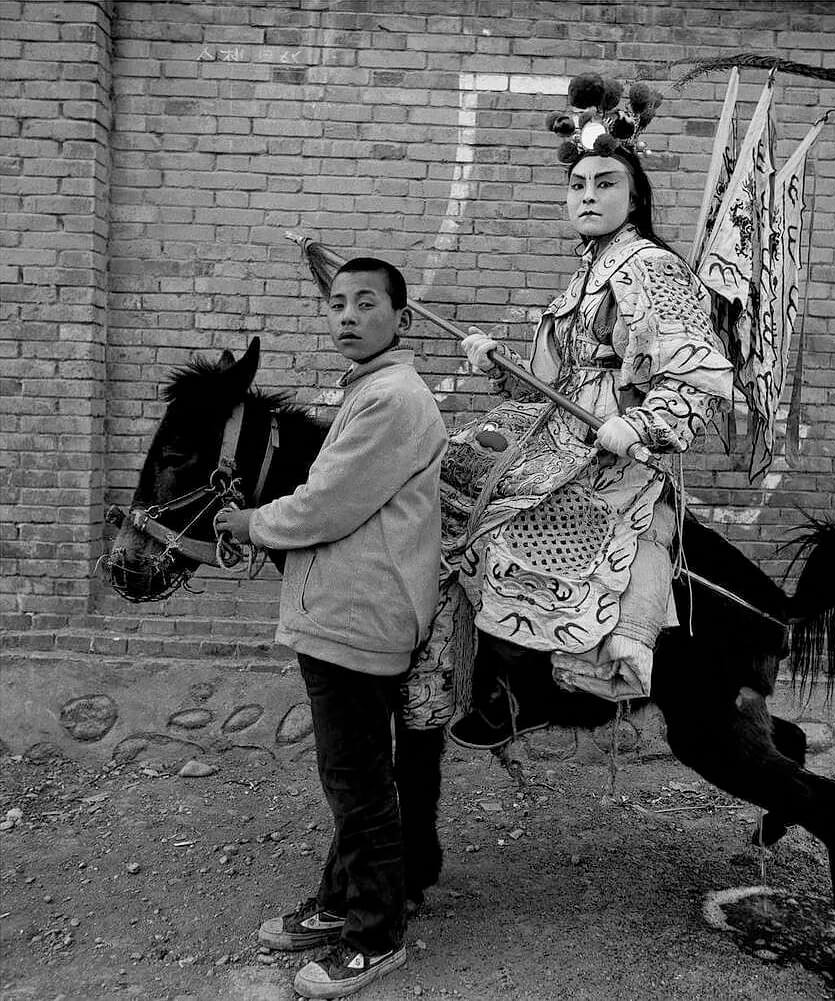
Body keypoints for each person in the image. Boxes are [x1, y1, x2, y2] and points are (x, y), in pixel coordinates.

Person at [440, 74, 734, 750]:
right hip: (559, 431)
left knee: (533, 530)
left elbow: (689, 370)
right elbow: (551, 380)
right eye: (579, 185)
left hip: (612, 452)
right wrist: (498, 364)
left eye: (605, 183)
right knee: (455, 477)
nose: (588, 195)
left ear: (634, 196)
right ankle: (479, 673)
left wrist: (638, 423)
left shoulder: (650, 267)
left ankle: (560, 679)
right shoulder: (585, 273)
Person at [215, 257, 447, 999]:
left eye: (366, 302)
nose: (346, 315)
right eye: (337, 303)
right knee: (352, 775)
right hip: (346, 612)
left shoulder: (391, 399)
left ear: (402, 319)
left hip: (360, 615)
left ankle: (375, 935)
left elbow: (324, 504)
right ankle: (341, 901)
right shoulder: (371, 389)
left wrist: (251, 521)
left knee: (359, 783)